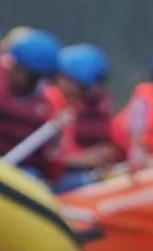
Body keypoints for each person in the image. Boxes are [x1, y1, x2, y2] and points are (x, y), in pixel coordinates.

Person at [0, 31, 65, 161]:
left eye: (19, 69)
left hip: (20, 169)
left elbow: (51, 162)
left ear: (35, 76)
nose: (12, 70)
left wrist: (54, 140)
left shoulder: (50, 104)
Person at [53, 41, 126, 179]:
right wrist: (83, 158)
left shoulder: (99, 104)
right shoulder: (53, 101)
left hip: (87, 171)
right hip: (59, 174)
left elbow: (115, 141)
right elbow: (55, 153)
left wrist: (111, 152)